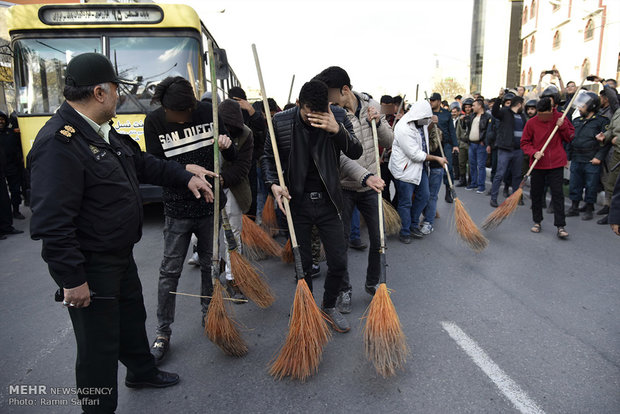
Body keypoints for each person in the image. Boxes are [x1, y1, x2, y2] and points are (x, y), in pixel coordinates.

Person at [28, 53, 214, 413]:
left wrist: (184, 174)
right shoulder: (59, 143)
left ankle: (141, 371)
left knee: (131, 319)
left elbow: (141, 162)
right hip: (91, 264)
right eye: (116, 89)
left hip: (118, 253)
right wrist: (72, 279)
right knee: (98, 346)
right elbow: (52, 223)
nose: (119, 96)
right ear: (100, 92)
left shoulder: (100, 131)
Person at [144, 76, 236, 364]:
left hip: (210, 208)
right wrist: (185, 169)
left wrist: (226, 144)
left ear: (193, 105)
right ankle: (162, 332)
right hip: (177, 210)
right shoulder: (154, 122)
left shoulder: (209, 112)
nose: (180, 120)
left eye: (184, 114)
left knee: (211, 268)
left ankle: (209, 318)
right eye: (174, 115)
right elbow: (154, 166)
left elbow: (233, 154)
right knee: (169, 272)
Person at [262, 80, 362, 333]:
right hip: (296, 202)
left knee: (339, 262)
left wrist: (336, 130)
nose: (314, 118)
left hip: (329, 201)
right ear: (299, 105)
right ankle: (305, 310)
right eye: (309, 113)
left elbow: (356, 152)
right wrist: (274, 184)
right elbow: (268, 158)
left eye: (320, 113)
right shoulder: (281, 121)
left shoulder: (337, 116)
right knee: (302, 266)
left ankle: (328, 306)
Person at [314, 66, 393, 312]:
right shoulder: (332, 115)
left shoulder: (371, 105)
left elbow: (389, 141)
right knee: (341, 242)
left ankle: (374, 283)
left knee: (379, 239)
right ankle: (344, 289)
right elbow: (336, 157)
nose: (327, 99)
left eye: (330, 94)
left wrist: (378, 122)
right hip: (344, 187)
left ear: (345, 90)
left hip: (371, 187)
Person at [389, 100, 447, 244]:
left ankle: (414, 224)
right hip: (405, 170)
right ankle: (405, 231)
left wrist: (432, 122)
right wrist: (437, 159)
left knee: (424, 196)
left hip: (419, 168)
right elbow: (415, 154)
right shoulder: (403, 128)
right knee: (406, 202)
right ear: (418, 115)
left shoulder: (421, 123)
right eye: (426, 118)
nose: (427, 121)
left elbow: (424, 136)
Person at [521, 97, 575, 238]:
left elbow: (570, 137)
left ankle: (560, 226)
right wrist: (534, 152)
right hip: (538, 164)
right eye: (539, 113)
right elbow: (525, 143)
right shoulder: (532, 123)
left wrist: (562, 126)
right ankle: (537, 221)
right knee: (536, 194)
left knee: (557, 194)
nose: (542, 117)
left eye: (545, 114)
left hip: (556, 163)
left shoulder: (560, 118)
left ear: (552, 109)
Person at [218, 99, 254, 300]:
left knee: (233, 234)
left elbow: (243, 167)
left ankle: (233, 277)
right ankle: (215, 271)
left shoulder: (246, 134)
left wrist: (223, 180)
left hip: (232, 187)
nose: (230, 132)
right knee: (207, 236)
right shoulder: (208, 128)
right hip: (205, 186)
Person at [566, 91, 610, 220]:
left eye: (582, 106)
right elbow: (571, 139)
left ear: (591, 106)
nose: (579, 108)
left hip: (591, 159)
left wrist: (599, 157)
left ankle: (589, 207)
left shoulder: (601, 121)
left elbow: (606, 142)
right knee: (575, 184)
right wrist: (568, 157)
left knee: (591, 185)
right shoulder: (577, 121)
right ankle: (574, 206)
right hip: (576, 157)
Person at [228, 86, 267, 221]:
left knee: (251, 197)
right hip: (231, 165)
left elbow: (261, 133)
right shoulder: (226, 115)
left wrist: (250, 110)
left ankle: (249, 224)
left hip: (249, 164)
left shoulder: (250, 117)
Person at [489, 95, 527, 207]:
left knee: (517, 175)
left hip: (518, 150)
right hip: (505, 149)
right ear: (519, 104)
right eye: (523, 105)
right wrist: (499, 99)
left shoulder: (522, 116)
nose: (524, 107)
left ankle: (516, 198)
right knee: (499, 174)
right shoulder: (505, 113)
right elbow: (495, 112)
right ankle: (493, 198)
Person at [429, 93, 458, 203]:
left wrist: (455, 145)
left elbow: (452, 130)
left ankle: (448, 192)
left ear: (439, 101)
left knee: (448, 168)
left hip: (445, 144)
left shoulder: (446, 114)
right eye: (430, 100)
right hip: (432, 145)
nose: (431, 102)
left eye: (433, 100)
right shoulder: (428, 113)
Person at [419, 116, 446, 235]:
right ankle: (430, 213)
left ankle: (428, 222)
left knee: (432, 195)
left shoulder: (437, 129)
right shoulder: (417, 128)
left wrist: (431, 126)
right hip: (423, 167)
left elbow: (432, 147)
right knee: (424, 194)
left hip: (436, 167)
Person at [596, 102, 620, 225]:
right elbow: (611, 129)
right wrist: (605, 136)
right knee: (612, 183)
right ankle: (612, 213)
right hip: (617, 152)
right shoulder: (618, 111)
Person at [0, 111, 25, 219]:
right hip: (1, 167)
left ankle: (16, 210)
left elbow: (19, 146)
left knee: (15, 190)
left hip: (12, 166)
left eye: (2, 119)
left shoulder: (11, 133)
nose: (0, 122)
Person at [466, 98, 492, 193]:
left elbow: (489, 131)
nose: (472, 107)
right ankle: (473, 183)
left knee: (481, 165)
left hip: (481, 144)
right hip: (472, 143)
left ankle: (481, 185)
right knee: (472, 165)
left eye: (474, 105)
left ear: (480, 106)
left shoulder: (487, 117)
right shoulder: (472, 116)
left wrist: (485, 141)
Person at [456, 98, 473, 187]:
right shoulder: (460, 118)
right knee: (461, 162)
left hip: (471, 143)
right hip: (462, 143)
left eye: (469, 107)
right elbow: (458, 132)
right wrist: (457, 143)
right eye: (466, 107)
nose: (467, 109)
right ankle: (462, 179)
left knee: (470, 163)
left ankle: (471, 179)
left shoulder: (474, 117)